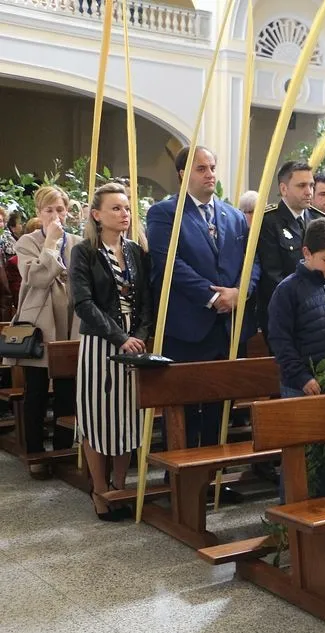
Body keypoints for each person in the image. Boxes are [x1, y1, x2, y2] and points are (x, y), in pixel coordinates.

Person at [146, 146, 260, 449]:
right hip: (187, 328)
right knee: (184, 409)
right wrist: (212, 298)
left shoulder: (234, 216)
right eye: (201, 169)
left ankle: (215, 479)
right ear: (183, 174)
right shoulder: (164, 213)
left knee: (219, 409)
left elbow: (253, 261)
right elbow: (168, 262)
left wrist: (240, 293)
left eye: (212, 167)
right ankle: (183, 485)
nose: (210, 174)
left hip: (227, 330)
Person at [70, 183, 154, 520]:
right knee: (97, 417)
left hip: (134, 342)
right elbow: (83, 302)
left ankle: (121, 485)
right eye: (116, 208)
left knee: (128, 417)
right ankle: (100, 489)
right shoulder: (85, 251)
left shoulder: (134, 250)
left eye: (127, 208)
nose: (124, 214)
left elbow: (147, 300)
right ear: (97, 215)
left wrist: (141, 335)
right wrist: (120, 337)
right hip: (100, 344)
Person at [268, 218, 325, 498]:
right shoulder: (287, 290)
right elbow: (281, 342)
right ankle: (289, 522)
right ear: (306, 253)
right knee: (300, 457)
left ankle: (321, 513)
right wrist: (303, 377)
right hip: (300, 385)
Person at [7, 185, 80, 474]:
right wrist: (50, 243)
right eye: (48, 210)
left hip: (70, 321)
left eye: (60, 209)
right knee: (36, 391)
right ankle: (36, 455)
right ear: (39, 213)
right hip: (38, 323)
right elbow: (36, 277)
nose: (55, 215)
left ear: (68, 212)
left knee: (67, 389)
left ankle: (62, 450)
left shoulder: (77, 241)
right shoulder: (27, 241)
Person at [257, 161, 323, 340]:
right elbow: (272, 275)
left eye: (311, 185)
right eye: (301, 186)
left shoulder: (318, 219)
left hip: (318, 312)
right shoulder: (268, 221)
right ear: (284, 189)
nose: (309, 191)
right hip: (285, 312)